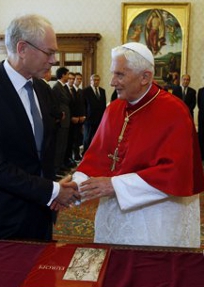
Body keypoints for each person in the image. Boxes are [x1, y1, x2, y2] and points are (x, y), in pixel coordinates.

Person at [70, 42, 204, 247]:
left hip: (155, 217)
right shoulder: (113, 109)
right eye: (112, 74)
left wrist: (114, 184)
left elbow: (175, 173)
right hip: (113, 211)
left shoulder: (175, 112)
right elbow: (96, 157)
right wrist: (75, 187)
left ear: (145, 77)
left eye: (120, 75)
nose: (112, 82)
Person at [0, 14, 80, 241]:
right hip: (4, 217)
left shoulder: (43, 89)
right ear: (22, 48)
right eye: (49, 52)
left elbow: (43, 150)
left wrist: (51, 188)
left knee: (40, 275)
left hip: (42, 212)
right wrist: (53, 190)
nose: (54, 60)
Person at [52, 67, 71, 176]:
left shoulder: (63, 87)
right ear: (63, 75)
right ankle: (55, 168)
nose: (68, 76)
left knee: (63, 145)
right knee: (59, 146)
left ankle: (60, 165)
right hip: (61, 121)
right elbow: (55, 104)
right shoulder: (56, 87)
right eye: (67, 74)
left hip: (66, 120)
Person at [82, 74, 106, 154]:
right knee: (87, 138)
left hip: (100, 119)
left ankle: (95, 154)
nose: (96, 82)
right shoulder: (85, 91)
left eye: (97, 80)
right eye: (94, 80)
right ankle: (86, 154)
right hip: (89, 119)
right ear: (90, 81)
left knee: (98, 138)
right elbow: (83, 105)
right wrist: (85, 116)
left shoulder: (102, 91)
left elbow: (103, 105)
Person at [197, 86, 204, 160]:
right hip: (202, 116)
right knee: (201, 135)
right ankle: (201, 155)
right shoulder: (201, 90)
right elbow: (199, 104)